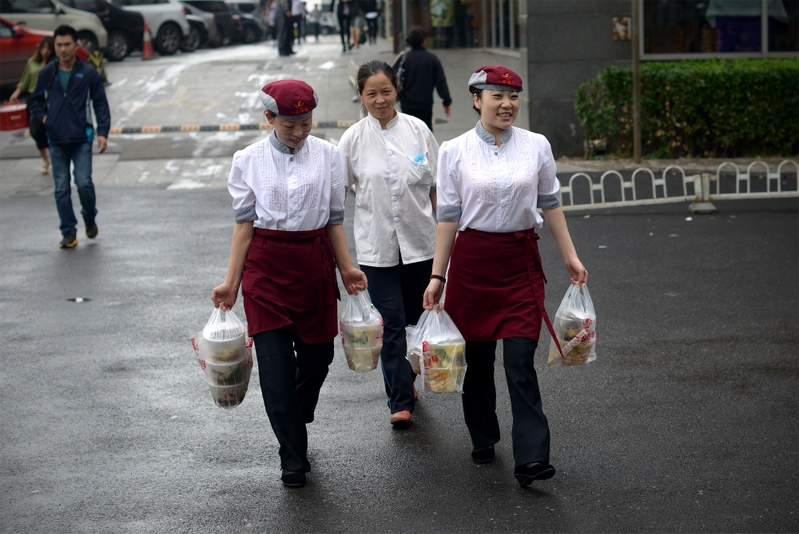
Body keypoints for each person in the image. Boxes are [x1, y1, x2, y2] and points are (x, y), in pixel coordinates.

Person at [422, 66, 588, 487]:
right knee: (476, 363)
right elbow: (448, 217)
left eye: (513, 96)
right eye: (496, 95)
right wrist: (437, 276)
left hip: (519, 262)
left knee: (519, 362)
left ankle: (531, 457)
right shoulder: (455, 150)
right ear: (476, 99)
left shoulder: (536, 146)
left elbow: (550, 204)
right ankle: (482, 433)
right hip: (473, 262)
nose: (506, 104)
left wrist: (570, 256)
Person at [211, 80, 367, 488]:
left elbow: (335, 219)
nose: (299, 132)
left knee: (318, 360)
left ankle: (296, 415)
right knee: (276, 370)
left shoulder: (330, 157)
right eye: (290, 124)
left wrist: (346, 268)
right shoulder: (248, 160)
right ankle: (293, 458)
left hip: (314, 263)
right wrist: (231, 283)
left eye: (306, 123)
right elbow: (244, 226)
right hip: (265, 269)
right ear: (269, 118)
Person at [338, 60, 439, 428]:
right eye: (371, 94)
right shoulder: (352, 140)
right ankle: (399, 399)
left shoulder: (418, 131)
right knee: (391, 323)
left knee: (416, 321)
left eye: (386, 91)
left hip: (421, 245)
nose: (380, 100)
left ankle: (406, 382)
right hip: (376, 249)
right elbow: (338, 197)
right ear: (361, 95)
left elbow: (436, 188)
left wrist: (447, 244)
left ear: (396, 89)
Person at [28, 25, 110, 249]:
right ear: (53, 47)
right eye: (58, 45)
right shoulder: (47, 73)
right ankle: (68, 232)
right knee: (61, 187)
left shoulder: (88, 73)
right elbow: (34, 100)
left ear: (75, 46)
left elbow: (100, 104)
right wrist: (45, 118)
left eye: (66, 45)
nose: (62, 49)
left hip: (82, 137)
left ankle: (90, 217)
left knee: (84, 183)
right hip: (56, 140)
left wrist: (102, 132)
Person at [391, 26, 452, 132]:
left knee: (408, 132)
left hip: (407, 103)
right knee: (425, 133)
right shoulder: (432, 59)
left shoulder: (404, 58)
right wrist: (446, 101)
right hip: (425, 104)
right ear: (424, 40)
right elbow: (440, 82)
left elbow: (391, 76)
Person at [9, 36, 55, 175]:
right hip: (34, 100)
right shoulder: (32, 63)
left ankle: (54, 158)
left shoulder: (54, 64)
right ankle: (45, 159)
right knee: (35, 131)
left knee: (52, 129)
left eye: (49, 48)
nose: (45, 51)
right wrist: (16, 94)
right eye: (43, 48)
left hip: (50, 100)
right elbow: (24, 82)